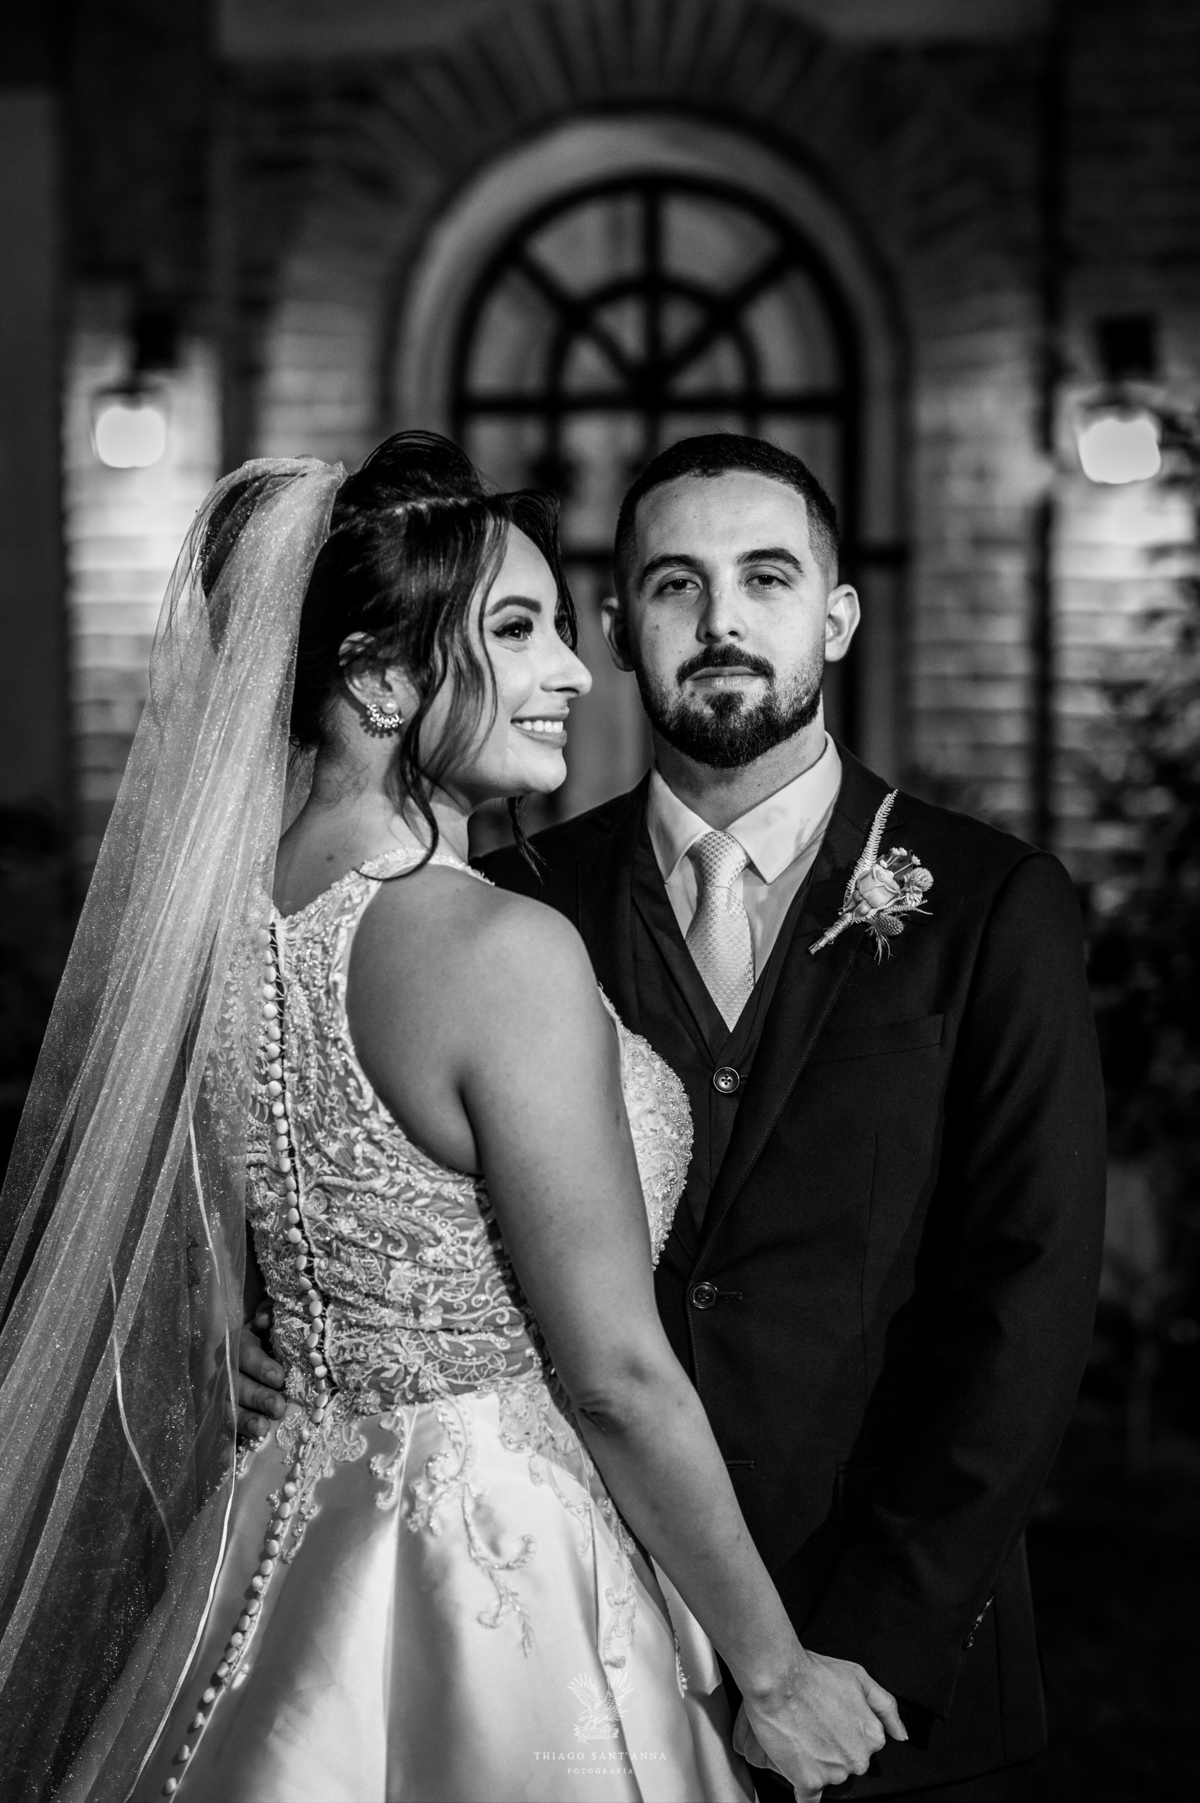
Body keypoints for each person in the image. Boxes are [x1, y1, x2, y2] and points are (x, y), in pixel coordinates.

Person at [0, 432, 906, 1803]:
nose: (574, 673)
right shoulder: (494, 950)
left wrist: (245, 1329)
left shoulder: (222, 928)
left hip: (286, 1528)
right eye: (519, 630)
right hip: (498, 1567)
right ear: (378, 676)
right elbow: (615, 1374)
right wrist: (775, 1673)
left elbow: (235, 1236)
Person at [470, 434, 1107, 1799]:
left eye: (766, 577)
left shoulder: (993, 904)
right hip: (581, 1634)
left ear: (837, 616)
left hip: (892, 1670)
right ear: (618, 632)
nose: (722, 621)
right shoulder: (516, 901)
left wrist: (874, 1651)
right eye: (676, 586)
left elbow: (1031, 1293)